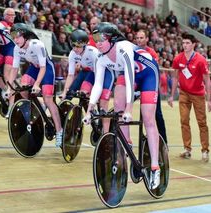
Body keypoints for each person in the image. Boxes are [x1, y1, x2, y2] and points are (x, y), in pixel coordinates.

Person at [83, 22, 161, 190]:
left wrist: (129, 109)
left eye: (101, 38)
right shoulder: (100, 57)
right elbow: (97, 86)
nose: (98, 42)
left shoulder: (123, 47)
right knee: (117, 108)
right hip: (127, 75)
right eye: (95, 38)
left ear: (111, 39)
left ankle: (155, 167)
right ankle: (128, 146)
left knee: (148, 119)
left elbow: (130, 75)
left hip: (147, 73)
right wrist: (89, 110)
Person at [6, 23, 63, 147]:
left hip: (46, 68)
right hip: (34, 67)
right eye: (13, 37)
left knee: (48, 99)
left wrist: (37, 84)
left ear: (25, 36)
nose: (15, 40)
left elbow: (43, 67)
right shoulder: (17, 48)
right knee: (23, 88)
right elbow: (14, 69)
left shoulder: (37, 45)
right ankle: (38, 107)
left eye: (17, 36)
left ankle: (59, 131)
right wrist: (9, 87)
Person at [169, 33, 211, 162]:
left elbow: (207, 79)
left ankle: (205, 150)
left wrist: (209, 99)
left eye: (187, 43)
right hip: (183, 93)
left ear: (193, 44)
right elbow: (175, 77)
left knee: (202, 123)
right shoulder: (178, 58)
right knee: (184, 121)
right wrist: (171, 96)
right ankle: (187, 149)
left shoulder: (200, 59)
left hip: (198, 94)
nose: (185, 45)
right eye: (183, 43)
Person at [135, 29, 168, 143]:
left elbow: (153, 72)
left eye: (142, 38)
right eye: (138, 38)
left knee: (157, 113)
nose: (139, 40)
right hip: (136, 84)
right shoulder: (132, 50)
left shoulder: (152, 53)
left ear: (147, 39)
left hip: (150, 85)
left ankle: (163, 142)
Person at [60, 29, 99, 103]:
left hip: (95, 72)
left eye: (78, 46)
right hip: (85, 71)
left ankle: (91, 109)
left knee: (84, 92)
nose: (75, 49)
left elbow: (98, 75)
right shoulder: (72, 53)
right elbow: (70, 75)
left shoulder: (93, 52)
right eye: (73, 46)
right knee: (70, 92)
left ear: (84, 45)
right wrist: (64, 92)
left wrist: (94, 91)